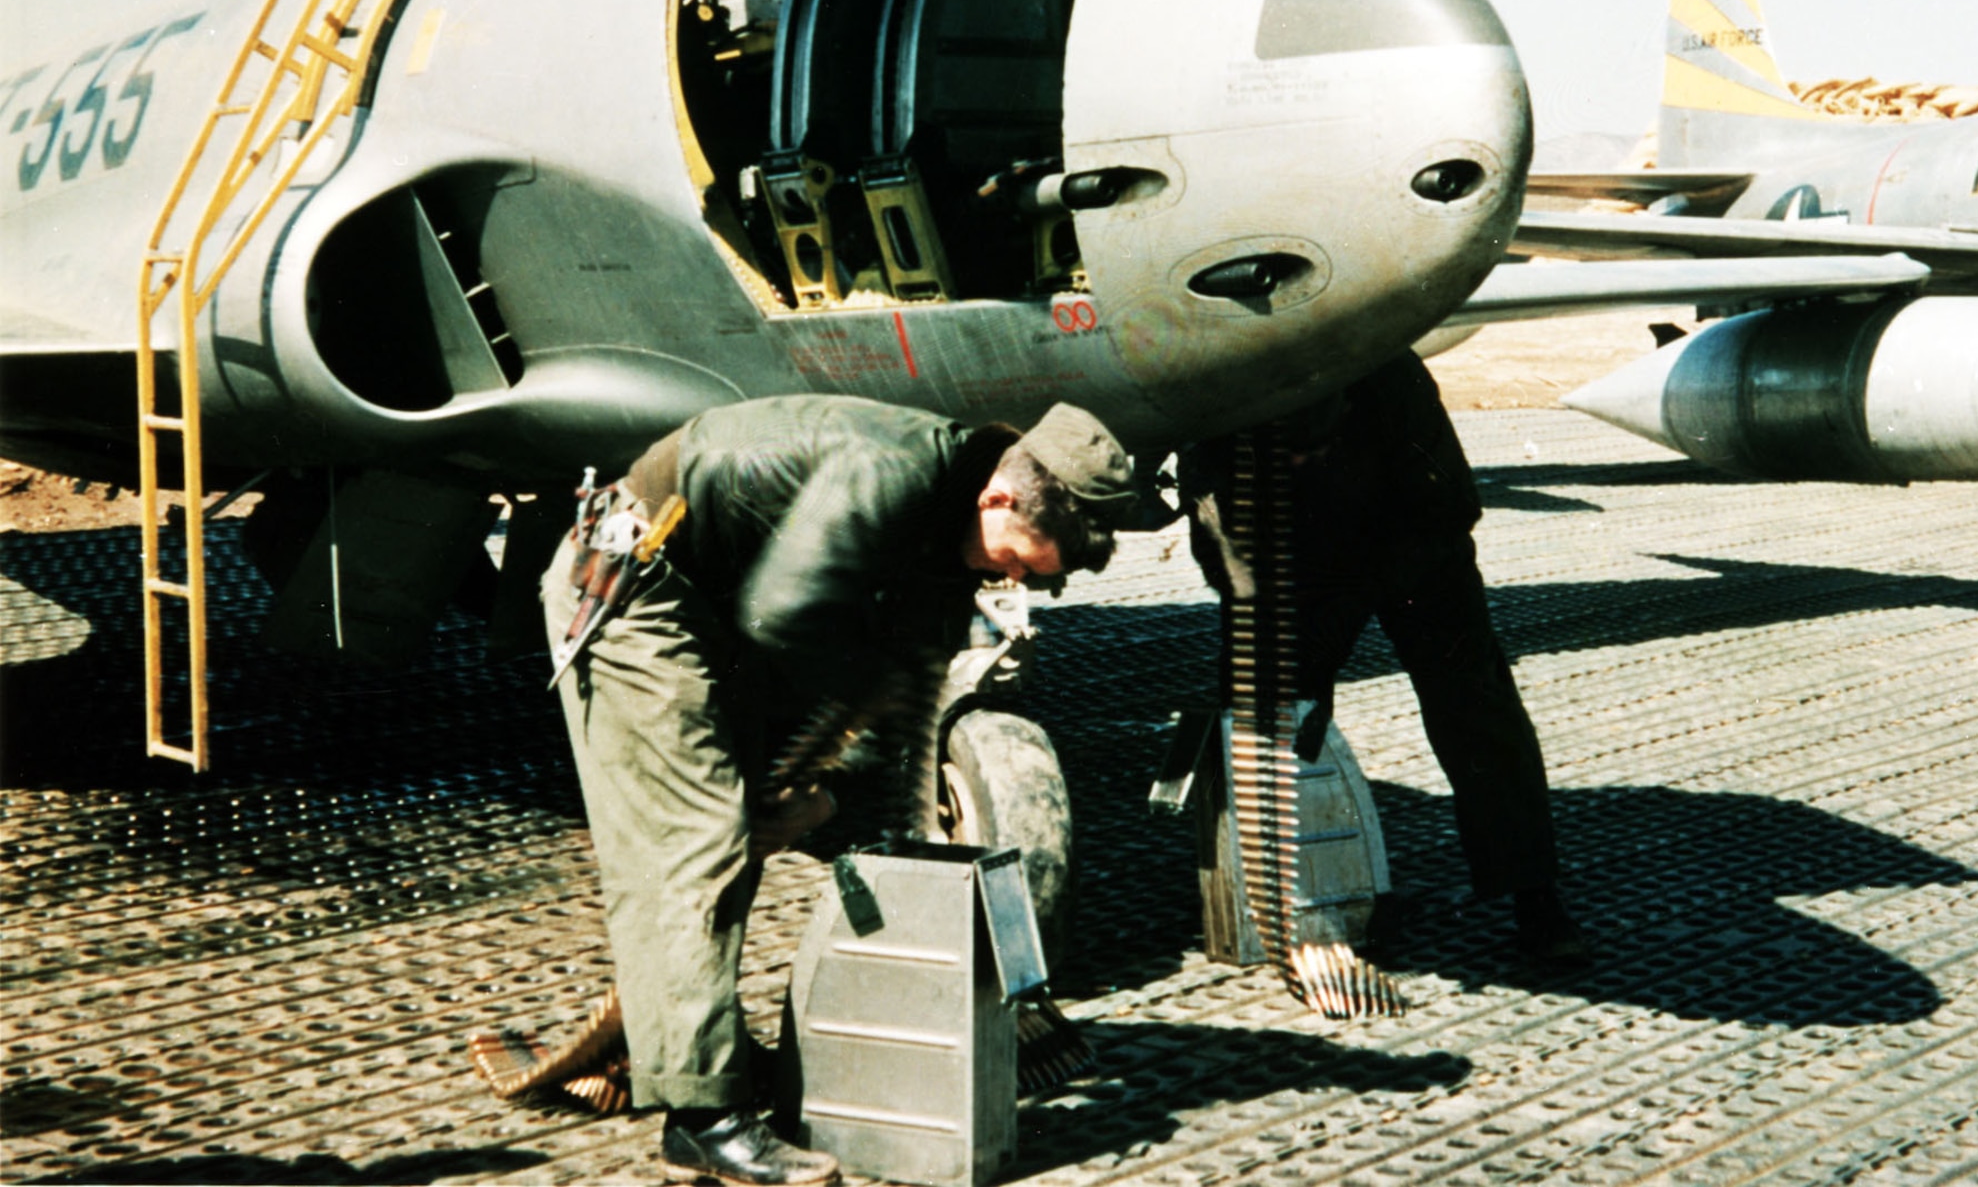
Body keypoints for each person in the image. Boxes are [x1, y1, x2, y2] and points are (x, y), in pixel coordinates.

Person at [543, 395, 1136, 1187]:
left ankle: (673, 1040)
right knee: (701, 841)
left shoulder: (955, 527)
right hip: (641, 588)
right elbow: (785, 614)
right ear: (998, 497)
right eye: (1019, 561)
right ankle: (701, 1118)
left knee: (750, 824)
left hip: (725, 602)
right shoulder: (890, 473)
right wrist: (831, 748)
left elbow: (915, 690)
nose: (1012, 581)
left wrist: (854, 811)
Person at [1186, 350, 1589, 965]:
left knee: (1476, 708)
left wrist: (1351, 602)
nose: (1305, 462)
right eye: (1289, 455)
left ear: (1347, 408)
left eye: (1315, 451)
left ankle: (1534, 895)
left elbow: (1451, 510)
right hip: (1293, 557)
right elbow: (1223, 555)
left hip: (1414, 543)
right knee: (1258, 711)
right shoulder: (1220, 397)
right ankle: (1283, 894)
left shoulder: (1391, 375)